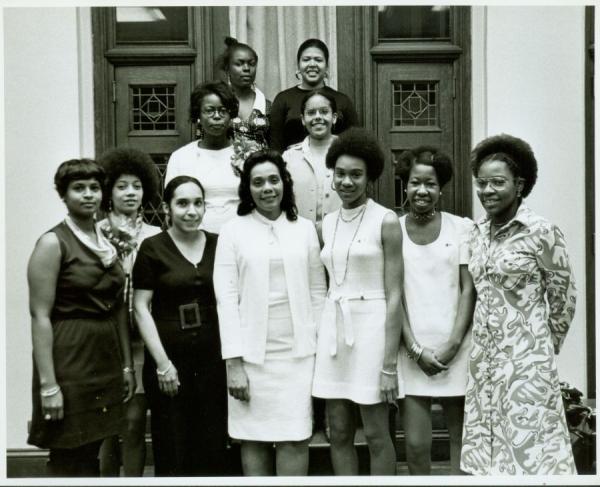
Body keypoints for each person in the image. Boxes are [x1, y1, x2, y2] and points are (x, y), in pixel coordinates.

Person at [461, 134, 577, 475]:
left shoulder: (541, 231)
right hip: (484, 360)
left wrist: (540, 349)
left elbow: (564, 297)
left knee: (532, 451)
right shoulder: (477, 232)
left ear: (520, 184)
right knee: (490, 449)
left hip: (526, 364)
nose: (487, 191)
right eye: (481, 183)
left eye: (498, 182)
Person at [214, 150, 326, 476]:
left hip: (298, 356)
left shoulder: (304, 229)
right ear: (247, 188)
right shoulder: (233, 232)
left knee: (295, 437)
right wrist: (234, 363)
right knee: (254, 440)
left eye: (273, 180)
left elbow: (318, 292)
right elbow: (227, 299)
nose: (267, 188)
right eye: (258, 182)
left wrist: (319, 349)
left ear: (284, 184)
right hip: (250, 358)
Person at [26, 159, 135, 477]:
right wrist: (49, 386)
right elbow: (40, 316)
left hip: (104, 356)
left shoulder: (108, 242)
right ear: (63, 195)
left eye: (94, 187)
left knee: (96, 446)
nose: (88, 195)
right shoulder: (52, 243)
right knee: (69, 451)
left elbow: (117, 307)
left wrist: (126, 365)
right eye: (78, 188)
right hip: (69, 357)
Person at [312, 128, 404, 475]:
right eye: (340, 174)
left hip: (371, 332)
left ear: (369, 178)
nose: (347, 181)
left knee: (378, 433)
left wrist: (389, 364)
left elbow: (395, 294)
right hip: (334, 332)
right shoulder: (325, 223)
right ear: (331, 175)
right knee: (338, 431)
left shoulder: (387, 220)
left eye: (356, 175)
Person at [132, 176, 228, 476]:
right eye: (182, 203)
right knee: (173, 447)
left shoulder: (219, 244)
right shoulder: (152, 248)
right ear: (167, 208)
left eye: (198, 203)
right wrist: (162, 364)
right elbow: (140, 307)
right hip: (169, 364)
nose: (191, 211)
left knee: (212, 446)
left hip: (213, 363)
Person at [395, 146, 475, 475]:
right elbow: (392, 293)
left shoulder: (462, 228)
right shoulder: (392, 229)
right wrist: (415, 349)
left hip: (456, 346)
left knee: (462, 439)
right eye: (415, 183)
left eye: (430, 183)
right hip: (412, 349)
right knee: (415, 445)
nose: (422, 190)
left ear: (441, 188)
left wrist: (454, 344)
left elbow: (468, 288)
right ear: (406, 185)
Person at [96, 147, 160, 477]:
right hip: (104, 343)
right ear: (109, 190)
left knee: (134, 423)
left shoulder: (156, 237)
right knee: (108, 428)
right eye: (122, 186)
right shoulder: (95, 236)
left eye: (136, 185)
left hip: (141, 343)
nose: (130, 192)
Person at [164, 81, 240, 234]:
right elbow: (171, 207)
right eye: (210, 111)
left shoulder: (246, 154)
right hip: (194, 240)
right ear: (198, 115)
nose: (217, 116)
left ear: (231, 115)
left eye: (223, 110)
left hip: (241, 239)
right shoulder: (181, 157)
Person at [270, 38, 358, 152]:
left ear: (326, 66)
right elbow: (275, 145)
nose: (312, 64)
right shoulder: (283, 99)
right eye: (306, 60)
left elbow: (355, 143)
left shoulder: (342, 100)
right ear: (298, 65)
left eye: (318, 60)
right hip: (293, 165)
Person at [283, 89, 342, 226]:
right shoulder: (289, 157)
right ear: (303, 119)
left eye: (324, 111)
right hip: (299, 237)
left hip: (340, 236)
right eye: (311, 113)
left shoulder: (349, 153)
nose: (317, 117)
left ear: (334, 117)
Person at [216, 37, 270, 165]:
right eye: (239, 64)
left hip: (259, 172)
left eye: (251, 64)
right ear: (227, 68)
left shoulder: (267, 106)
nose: (246, 68)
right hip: (222, 169)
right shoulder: (216, 104)